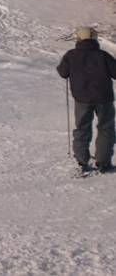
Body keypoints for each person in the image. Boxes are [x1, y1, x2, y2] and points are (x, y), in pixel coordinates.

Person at [57, 27, 116, 174]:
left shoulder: (71, 55)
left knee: (82, 128)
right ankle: (103, 163)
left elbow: (63, 73)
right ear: (95, 39)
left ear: (78, 39)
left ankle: (82, 161)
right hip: (104, 98)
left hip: (82, 99)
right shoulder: (103, 55)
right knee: (106, 128)